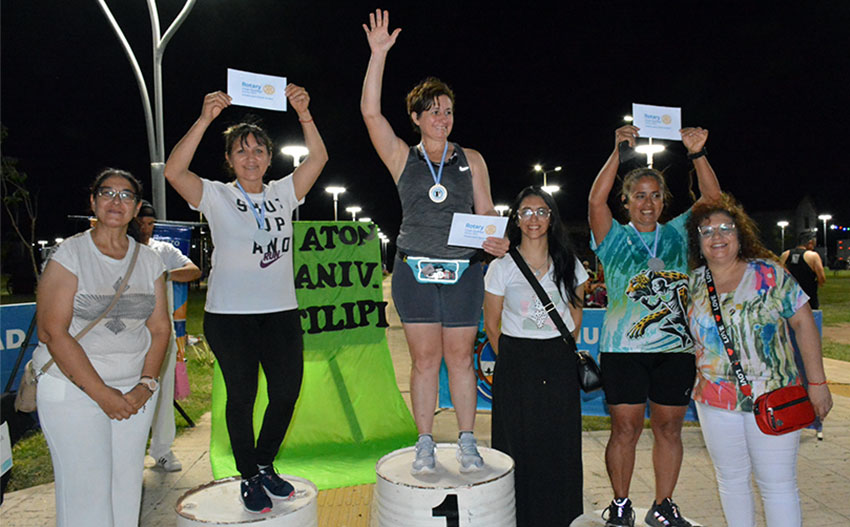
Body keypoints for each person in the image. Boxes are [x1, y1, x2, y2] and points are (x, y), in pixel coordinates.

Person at [164, 84, 328, 513]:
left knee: (286, 393)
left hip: (280, 314)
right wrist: (204, 120)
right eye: (241, 151)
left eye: (258, 150)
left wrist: (304, 113)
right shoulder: (217, 195)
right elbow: (174, 172)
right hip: (230, 317)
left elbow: (320, 159)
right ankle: (248, 473)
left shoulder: (282, 193)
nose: (251, 157)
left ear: (270, 159)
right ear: (230, 161)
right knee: (242, 396)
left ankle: (265, 462)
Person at [360, 9, 509, 474]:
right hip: (415, 272)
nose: (442, 117)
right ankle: (424, 442)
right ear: (416, 117)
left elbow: (485, 213)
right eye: (433, 110)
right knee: (425, 361)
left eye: (448, 110)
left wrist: (496, 239)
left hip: (463, 271)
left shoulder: (474, 159)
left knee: (461, 358)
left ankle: (467, 441)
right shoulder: (402, 158)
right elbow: (369, 112)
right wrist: (378, 55)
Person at [588, 124, 721, 527]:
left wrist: (697, 154)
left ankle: (663, 505)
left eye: (655, 195)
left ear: (665, 200)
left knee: (669, 429)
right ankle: (622, 504)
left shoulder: (680, 233)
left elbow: (715, 201)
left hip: (675, 350)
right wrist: (617, 151)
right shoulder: (612, 236)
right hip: (623, 351)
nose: (648, 203)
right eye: (639, 196)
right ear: (626, 201)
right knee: (624, 429)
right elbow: (595, 199)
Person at [32, 169, 171, 526]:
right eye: (107, 193)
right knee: (86, 495)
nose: (116, 201)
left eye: (126, 196)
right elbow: (52, 332)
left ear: (136, 208)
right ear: (93, 202)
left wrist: (146, 384)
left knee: (125, 488)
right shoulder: (71, 254)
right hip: (73, 391)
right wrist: (102, 394)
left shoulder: (149, 260)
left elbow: (159, 329)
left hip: (135, 393)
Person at [685, 194, 832, 527]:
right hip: (714, 400)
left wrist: (818, 383)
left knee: (777, 486)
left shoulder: (768, 274)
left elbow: (803, 323)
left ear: (740, 234)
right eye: (707, 232)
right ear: (698, 241)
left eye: (725, 228)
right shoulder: (692, 284)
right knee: (731, 481)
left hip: (774, 395)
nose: (717, 237)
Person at [483, 186, 588, 525]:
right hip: (516, 358)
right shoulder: (502, 265)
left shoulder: (568, 263)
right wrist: (515, 357)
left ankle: (561, 515)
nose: (534, 219)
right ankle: (518, 515)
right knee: (517, 439)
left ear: (552, 218)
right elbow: (492, 324)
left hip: (557, 357)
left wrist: (551, 349)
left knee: (559, 440)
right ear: (516, 218)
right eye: (526, 211)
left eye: (541, 211)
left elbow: (575, 318)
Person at [137, 201, 202, 472]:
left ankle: (162, 450)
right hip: (129, 336)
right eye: (141, 222)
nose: (146, 228)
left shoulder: (162, 250)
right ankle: (131, 451)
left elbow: (193, 271)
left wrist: (164, 273)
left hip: (162, 333)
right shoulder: (121, 249)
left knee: (162, 393)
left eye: (151, 223)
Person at [780, 231, 826, 309]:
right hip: (808, 298)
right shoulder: (813, 256)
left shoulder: (785, 254)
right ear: (810, 242)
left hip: (789, 298)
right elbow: (821, 278)